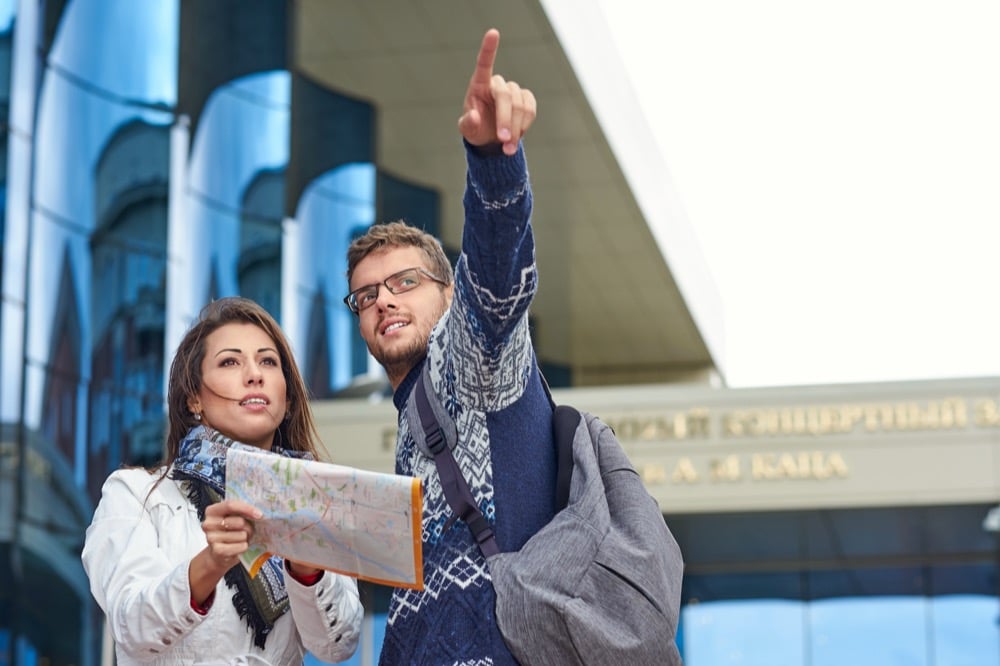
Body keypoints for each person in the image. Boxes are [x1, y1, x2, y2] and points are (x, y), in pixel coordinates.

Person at [344, 28, 555, 665]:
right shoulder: (413, 423)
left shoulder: (471, 366)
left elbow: (495, 283)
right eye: (366, 295)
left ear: (446, 293)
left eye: (405, 282)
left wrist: (493, 161)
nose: (383, 299)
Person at [82, 297, 363, 665]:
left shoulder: (314, 500)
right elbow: (131, 627)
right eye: (230, 361)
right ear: (194, 398)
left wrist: (306, 563)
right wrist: (212, 562)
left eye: (268, 361)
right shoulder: (135, 494)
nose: (254, 374)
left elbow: (337, 646)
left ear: (288, 399)